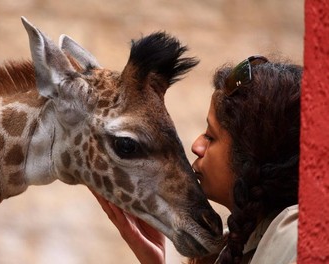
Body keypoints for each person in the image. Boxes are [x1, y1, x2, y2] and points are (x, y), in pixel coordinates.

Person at [91, 56, 302, 264]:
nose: (196, 146)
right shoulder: (242, 242)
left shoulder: (295, 236)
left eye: (211, 136)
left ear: (252, 153)